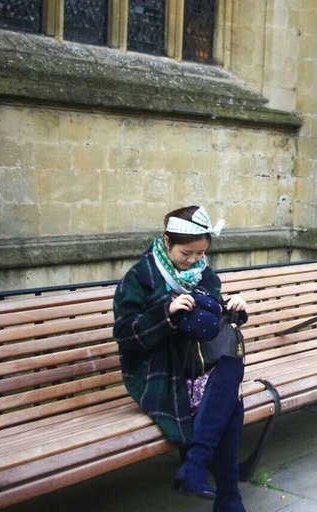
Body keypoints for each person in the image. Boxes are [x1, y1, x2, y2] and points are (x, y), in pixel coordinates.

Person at [113, 205, 248, 512]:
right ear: (166, 241)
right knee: (230, 400)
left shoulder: (204, 274)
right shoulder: (140, 276)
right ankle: (226, 496)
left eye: (200, 254)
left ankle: (197, 467)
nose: (194, 260)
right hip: (161, 372)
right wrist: (166, 314)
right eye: (187, 253)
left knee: (230, 371)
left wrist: (233, 308)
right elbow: (125, 334)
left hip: (200, 365)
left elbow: (211, 323)